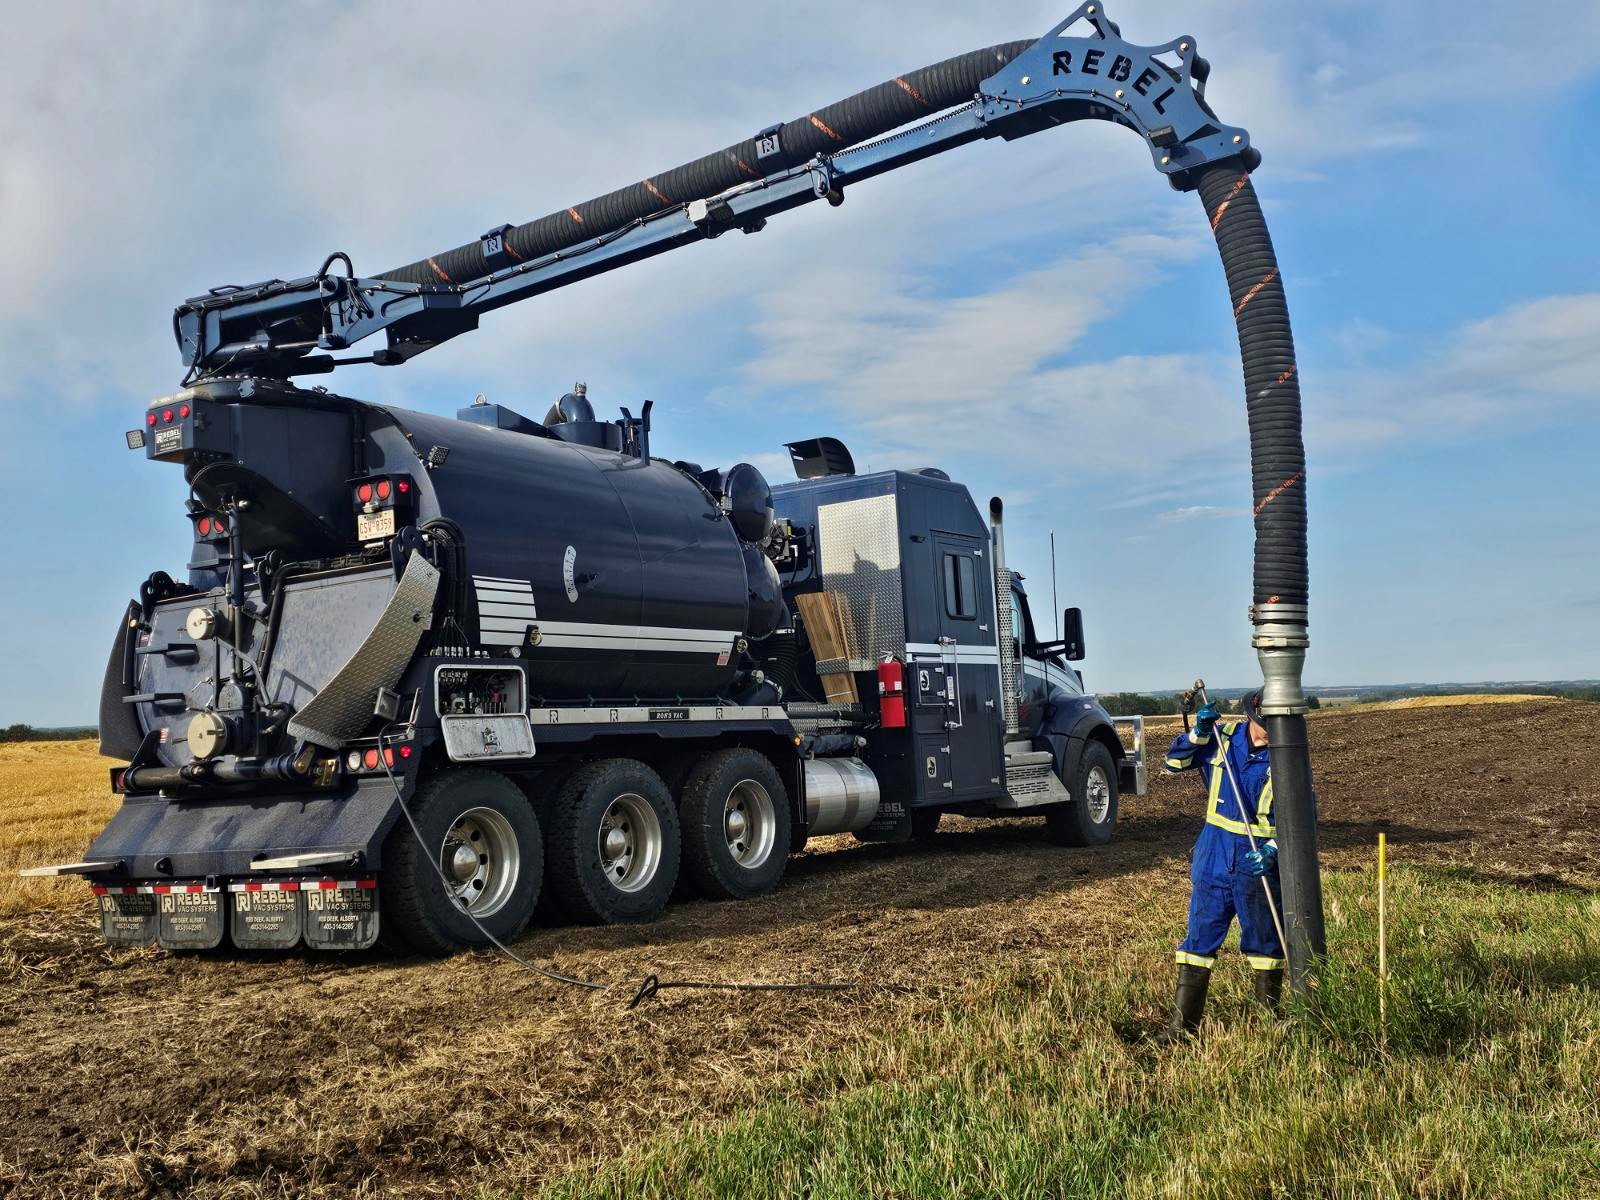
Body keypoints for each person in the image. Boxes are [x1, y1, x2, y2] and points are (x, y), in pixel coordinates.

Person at [1161, 688, 1283, 1038]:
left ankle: (1268, 1028)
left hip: (1255, 861)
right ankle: (1181, 1030)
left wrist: (1273, 849)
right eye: (1264, 724)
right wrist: (1197, 733)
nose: (1269, 731)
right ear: (1251, 716)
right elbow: (1174, 762)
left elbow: (1303, 818)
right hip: (1213, 853)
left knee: (1265, 944)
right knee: (1198, 941)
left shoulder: (1288, 755)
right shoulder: (1220, 737)